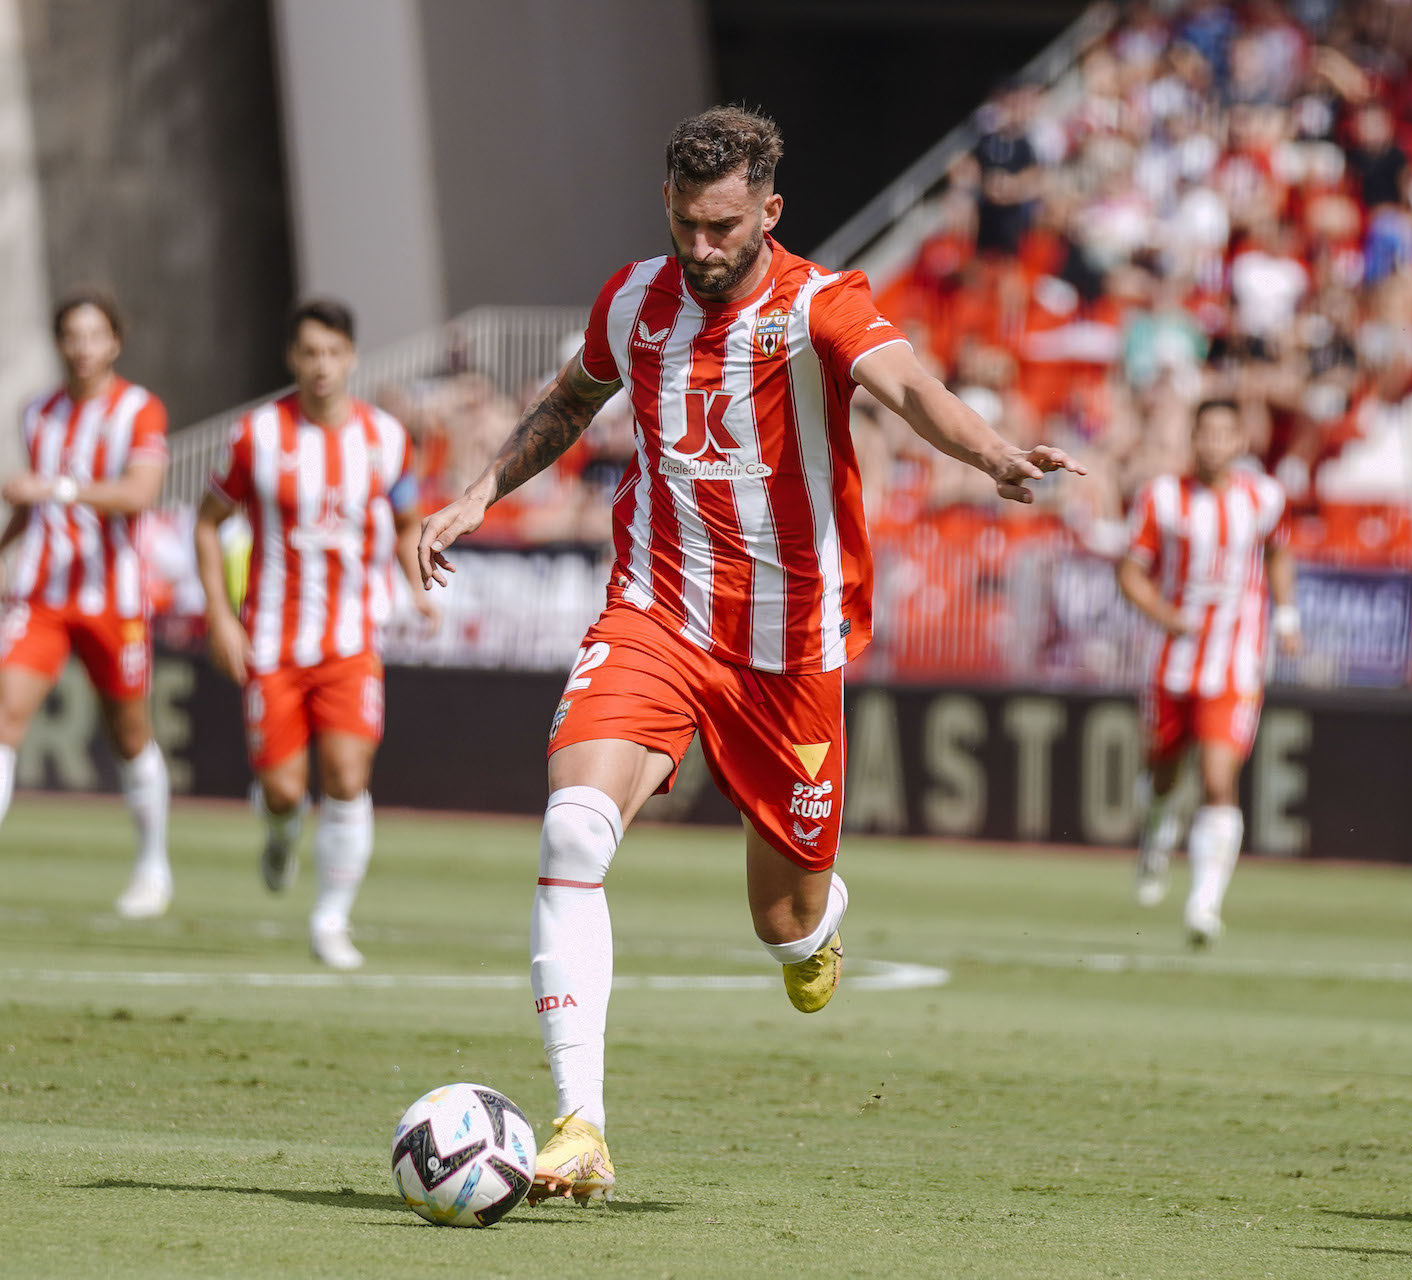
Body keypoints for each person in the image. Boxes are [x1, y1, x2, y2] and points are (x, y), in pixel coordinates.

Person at [414, 106, 1084, 1205]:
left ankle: (818, 924)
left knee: (784, 923)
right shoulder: (633, 299)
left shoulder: (823, 303)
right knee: (573, 826)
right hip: (656, 615)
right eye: (686, 222)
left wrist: (994, 453)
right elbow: (573, 399)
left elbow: (912, 388)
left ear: (770, 212)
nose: (702, 246)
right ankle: (581, 1122)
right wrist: (480, 491)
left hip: (790, 651)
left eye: (723, 226)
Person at [192, 298, 437, 970]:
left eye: (333, 352)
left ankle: (331, 919)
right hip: (272, 641)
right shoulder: (257, 435)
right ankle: (279, 833)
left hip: (352, 641)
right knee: (282, 791)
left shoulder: (386, 438)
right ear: (292, 359)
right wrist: (219, 614)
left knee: (348, 777)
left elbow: (407, 520)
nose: (322, 365)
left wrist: (416, 586)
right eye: (310, 353)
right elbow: (207, 523)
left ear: (351, 357)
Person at [0, 289, 171, 917]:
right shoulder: (36, 412)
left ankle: (153, 866)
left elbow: (139, 494)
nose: (83, 347)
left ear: (115, 342)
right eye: (72, 335)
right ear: (59, 343)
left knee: (130, 735)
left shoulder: (140, 410)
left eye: (95, 335)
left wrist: (56, 487)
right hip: (42, 594)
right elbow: (33, 509)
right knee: (4, 716)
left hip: (113, 598)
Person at [1118, 399, 1301, 947]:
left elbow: (1279, 553)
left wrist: (1287, 616)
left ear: (1240, 441)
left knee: (1220, 780)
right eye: (1206, 433)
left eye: (1226, 433)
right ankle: (1156, 835)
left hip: (1236, 661)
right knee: (1165, 772)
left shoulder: (1264, 497)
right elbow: (1131, 571)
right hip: (1172, 660)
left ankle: (1205, 903)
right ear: (1193, 439)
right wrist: (1164, 615)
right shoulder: (1162, 497)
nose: (1215, 443)